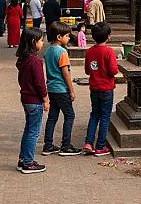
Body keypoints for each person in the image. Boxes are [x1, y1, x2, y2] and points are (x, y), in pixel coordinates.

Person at [42, 21, 82, 156]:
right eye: (67, 36)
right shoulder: (62, 52)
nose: (69, 38)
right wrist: (71, 90)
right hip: (61, 89)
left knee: (52, 117)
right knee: (70, 115)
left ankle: (48, 144)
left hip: (51, 88)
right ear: (59, 37)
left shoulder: (48, 51)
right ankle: (66, 145)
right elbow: (65, 73)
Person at [16, 27, 49, 174]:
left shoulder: (23, 60)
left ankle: (24, 159)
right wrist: (45, 99)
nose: (43, 43)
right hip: (34, 100)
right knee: (33, 132)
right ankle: (28, 162)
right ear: (33, 41)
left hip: (26, 98)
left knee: (29, 129)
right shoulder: (35, 61)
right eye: (41, 40)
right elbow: (40, 83)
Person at [83, 21, 118, 156]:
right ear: (108, 36)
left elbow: (87, 70)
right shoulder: (109, 51)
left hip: (94, 88)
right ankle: (100, 146)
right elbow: (113, 70)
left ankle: (88, 142)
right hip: (107, 89)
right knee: (105, 117)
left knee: (94, 115)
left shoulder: (90, 51)